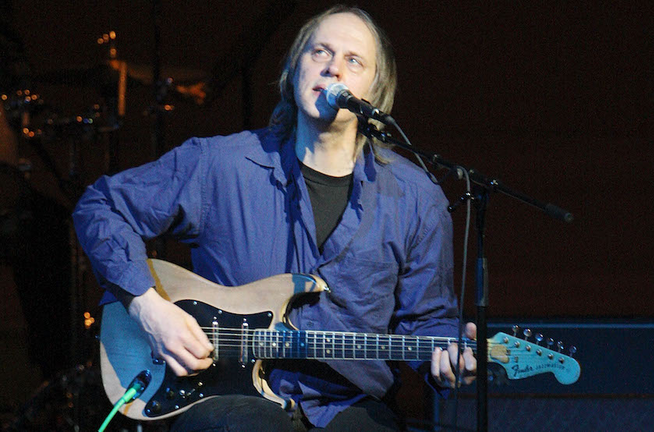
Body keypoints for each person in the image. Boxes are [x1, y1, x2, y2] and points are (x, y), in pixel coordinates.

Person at [72, 5, 476, 431]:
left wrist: (449, 360)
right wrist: (148, 309)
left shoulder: (417, 198)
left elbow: (427, 320)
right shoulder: (220, 166)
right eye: (320, 52)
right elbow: (102, 206)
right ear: (294, 69)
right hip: (223, 397)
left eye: (353, 61)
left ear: (375, 92)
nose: (333, 68)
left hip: (351, 404)